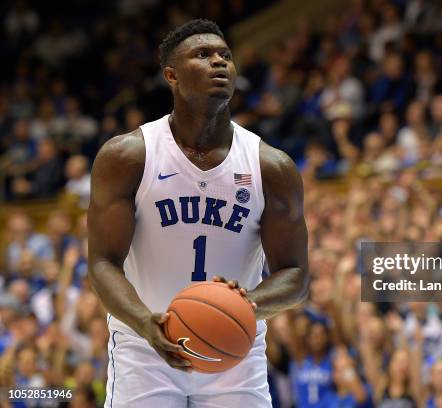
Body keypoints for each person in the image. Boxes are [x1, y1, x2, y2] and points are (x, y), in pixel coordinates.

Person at [87, 19, 310, 407]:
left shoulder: (271, 167)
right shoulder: (127, 157)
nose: (219, 62)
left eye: (225, 55)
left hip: (235, 350)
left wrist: (246, 305)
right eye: (203, 55)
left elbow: (296, 275)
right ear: (171, 75)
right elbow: (103, 263)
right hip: (144, 349)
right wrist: (144, 321)